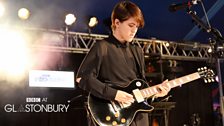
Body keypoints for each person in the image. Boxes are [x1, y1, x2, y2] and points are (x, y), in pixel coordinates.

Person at [76, 1, 170, 126]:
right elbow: (82, 78)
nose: (134, 31)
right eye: (131, 25)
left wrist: (156, 94)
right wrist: (114, 94)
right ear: (116, 23)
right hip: (113, 114)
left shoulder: (138, 51)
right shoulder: (102, 47)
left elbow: (140, 88)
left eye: (136, 27)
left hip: (139, 117)